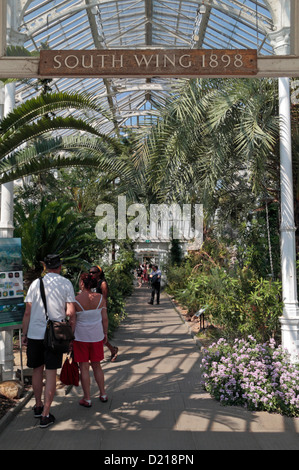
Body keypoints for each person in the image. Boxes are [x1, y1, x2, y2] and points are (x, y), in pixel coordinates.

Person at [22, 254, 76, 428]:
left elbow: (28, 312)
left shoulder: (35, 284)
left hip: (35, 334)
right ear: (60, 267)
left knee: (37, 370)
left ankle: (37, 406)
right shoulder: (66, 283)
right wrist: (70, 335)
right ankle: (46, 414)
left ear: (45, 267)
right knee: (51, 373)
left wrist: (24, 334)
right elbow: (71, 313)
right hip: (55, 335)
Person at [73, 272, 108, 407]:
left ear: (82, 283)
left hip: (80, 337)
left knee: (84, 368)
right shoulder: (100, 298)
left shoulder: (76, 300)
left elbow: (73, 321)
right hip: (97, 336)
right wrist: (105, 333)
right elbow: (105, 318)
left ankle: (87, 398)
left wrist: (71, 338)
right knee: (97, 365)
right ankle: (103, 393)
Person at [89, 266, 119, 362]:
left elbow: (104, 299)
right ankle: (112, 349)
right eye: (90, 272)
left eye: (93, 272)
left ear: (99, 273)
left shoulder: (103, 284)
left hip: (100, 310)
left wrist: (103, 312)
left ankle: (112, 350)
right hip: (92, 310)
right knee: (96, 334)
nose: (91, 274)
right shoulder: (92, 283)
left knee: (101, 335)